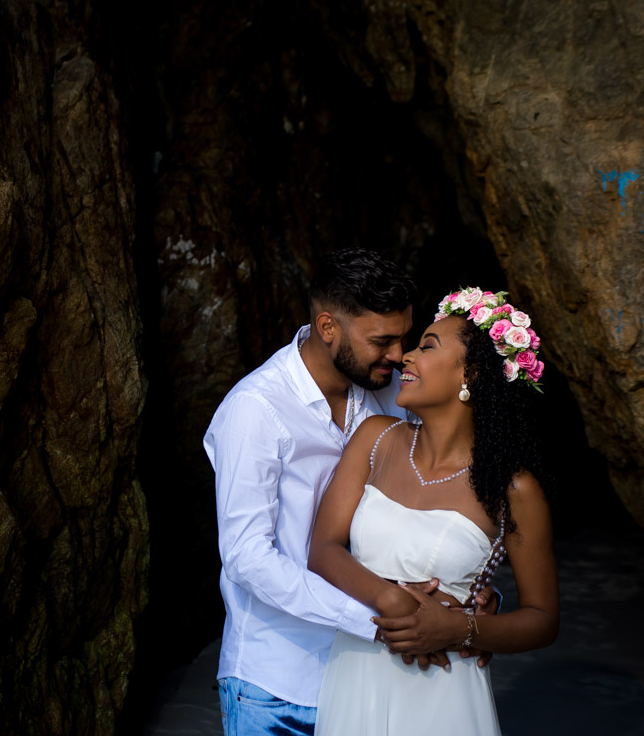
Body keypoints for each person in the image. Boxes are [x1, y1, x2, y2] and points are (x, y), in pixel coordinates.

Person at [205, 249, 482, 735]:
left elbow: (429, 502)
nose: (399, 356)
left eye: (405, 337)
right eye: (382, 341)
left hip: (374, 681)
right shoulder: (255, 410)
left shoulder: (392, 396)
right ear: (327, 326)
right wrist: (378, 613)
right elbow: (247, 558)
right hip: (277, 686)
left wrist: (467, 596)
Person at [308, 287, 559, 735]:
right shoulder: (375, 439)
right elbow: (323, 549)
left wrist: (457, 629)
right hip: (355, 675)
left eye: (426, 347)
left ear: (471, 373)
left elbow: (542, 620)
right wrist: (394, 600)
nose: (404, 357)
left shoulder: (512, 487)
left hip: (445, 686)